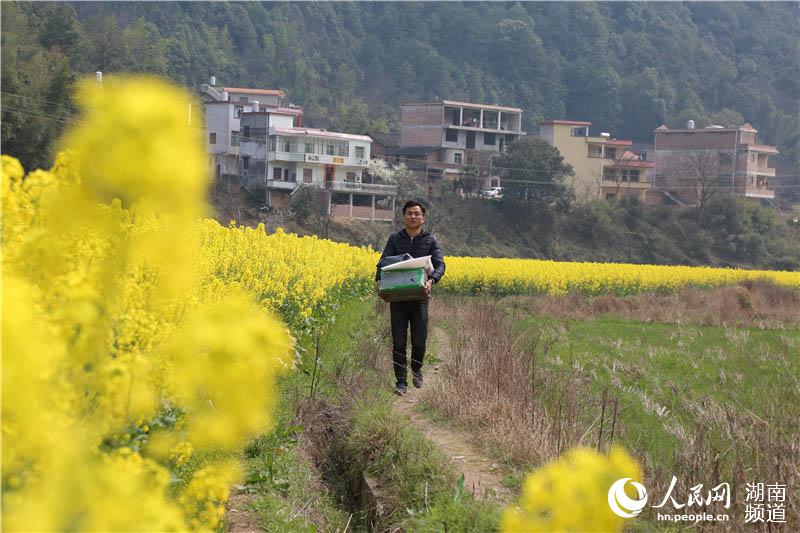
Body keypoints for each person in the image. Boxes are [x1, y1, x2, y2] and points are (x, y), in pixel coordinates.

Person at [375, 200, 445, 396]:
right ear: (403, 216)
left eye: (417, 214)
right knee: (398, 341)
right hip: (398, 298)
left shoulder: (430, 241)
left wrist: (432, 280)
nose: (413, 216)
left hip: (419, 297)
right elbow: (382, 263)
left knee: (419, 340)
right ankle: (401, 382)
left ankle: (416, 368)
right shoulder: (395, 239)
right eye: (409, 213)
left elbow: (440, 265)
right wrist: (379, 282)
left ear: (422, 218)